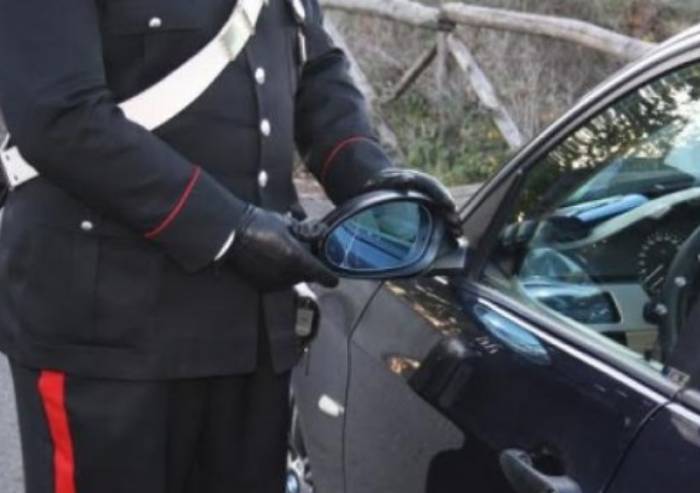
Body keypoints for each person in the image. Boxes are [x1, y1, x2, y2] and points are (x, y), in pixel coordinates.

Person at [0, 0, 459, 492]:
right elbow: (60, 117)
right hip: (109, 331)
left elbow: (316, 72)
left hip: (249, 324)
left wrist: (373, 180)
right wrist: (229, 230)